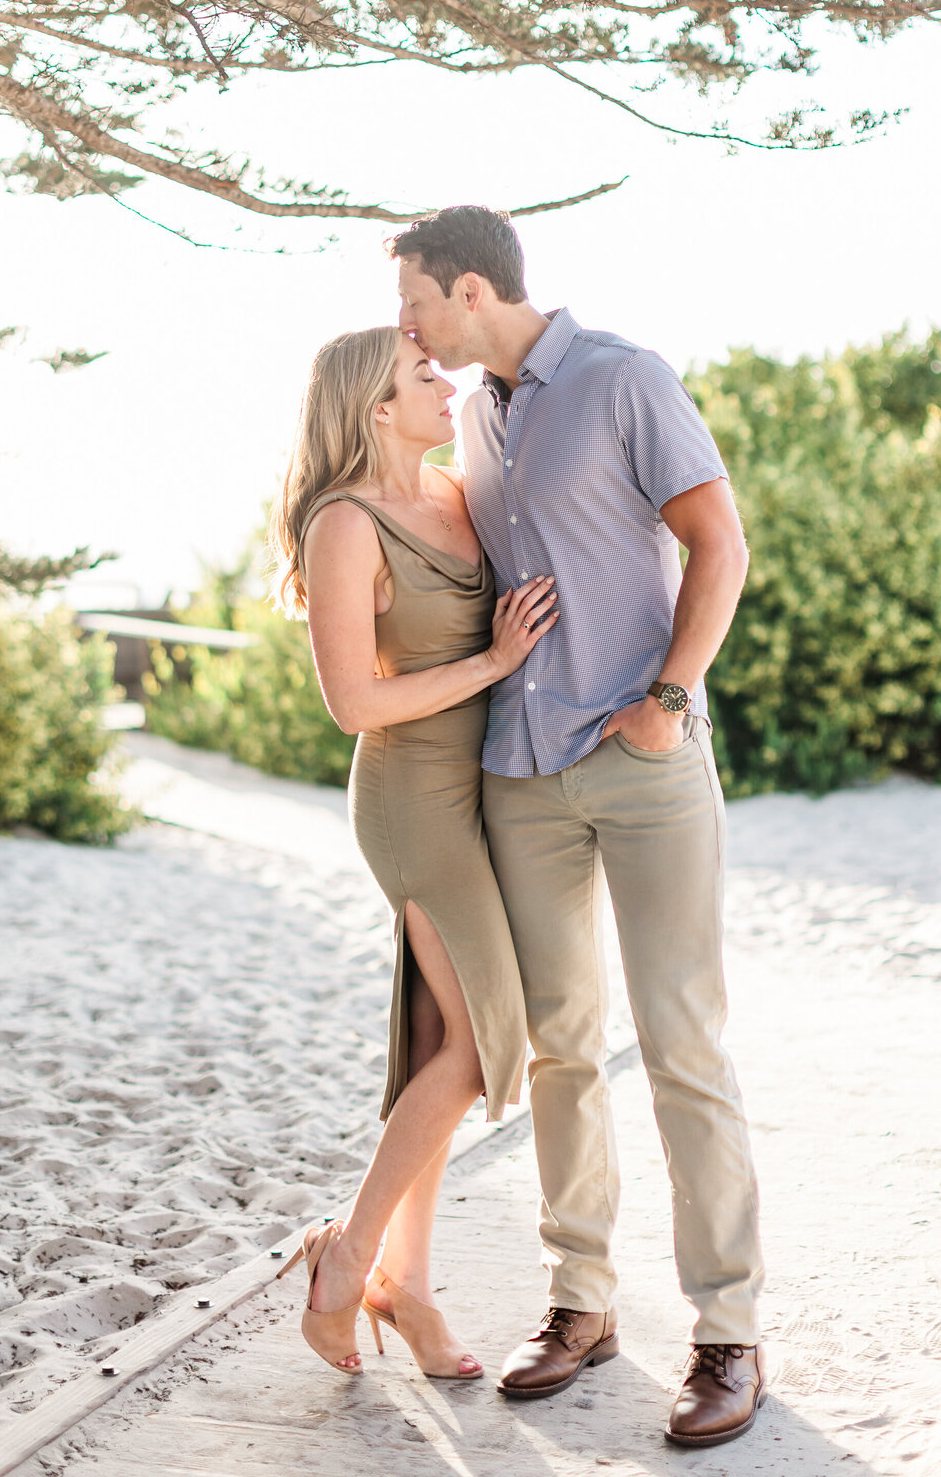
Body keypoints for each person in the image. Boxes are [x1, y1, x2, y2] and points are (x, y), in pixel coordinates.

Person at [392, 206, 766, 1449]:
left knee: (680, 1041)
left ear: (471, 290)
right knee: (559, 1044)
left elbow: (720, 544)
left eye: (417, 307)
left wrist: (666, 702)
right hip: (523, 768)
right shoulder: (480, 416)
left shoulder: (622, 379)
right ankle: (580, 1306)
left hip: (644, 756)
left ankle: (727, 1334)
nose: (413, 333)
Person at [267, 325, 557, 1380]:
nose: (447, 383)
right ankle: (344, 1263)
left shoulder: (459, 493)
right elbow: (354, 702)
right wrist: (493, 659)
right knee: (480, 1047)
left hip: (483, 791)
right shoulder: (346, 522)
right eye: (422, 375)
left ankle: (409, 1289)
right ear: (377, 408)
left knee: (440, 1043)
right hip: (412, 801)